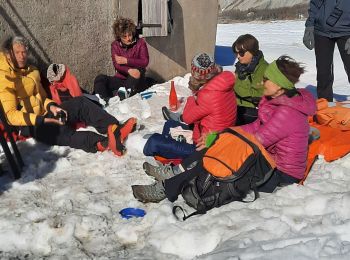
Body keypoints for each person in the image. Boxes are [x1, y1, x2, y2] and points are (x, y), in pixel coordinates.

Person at [132, 55, 316, 203]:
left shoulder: (287, 113)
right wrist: (219, 135)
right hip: (269, 157)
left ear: (279, 85)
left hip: (281, 172)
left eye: (267, 79)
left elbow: (257, 139)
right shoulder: (275, 100)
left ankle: (167, 188)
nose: (262, 82)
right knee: (215, 150)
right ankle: (171, 178)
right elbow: (255, 126)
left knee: (219, 159)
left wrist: (219, 138)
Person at [0, 36, 137, 156]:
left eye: (24, 52)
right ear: (8, 53)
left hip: (46, 114)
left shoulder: (31, 71)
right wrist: (42, 120)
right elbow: (10, 116)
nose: (22, 56)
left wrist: (53, 107)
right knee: (63, 132)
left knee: (81, 103)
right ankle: (102, 143)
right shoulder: (5, 76)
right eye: (17, 52)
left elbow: (41, 97)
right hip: (29, 125)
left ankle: (114, 129)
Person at [142, 52, 237, 162]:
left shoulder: (208, 94)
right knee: (169, 124)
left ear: (198, 75)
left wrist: (193, 93)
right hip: (214, 136)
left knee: (154, 142)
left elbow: (187, 118)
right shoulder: (223, 83)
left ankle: (168, 156)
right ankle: (168, 151)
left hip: (205, 147)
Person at [93, 17, 149, 103]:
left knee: (137, 71)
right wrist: (128, 70)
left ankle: (119, 98)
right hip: (121, 79)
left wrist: (126, 61)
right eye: (124, 36)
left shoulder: (140, 43)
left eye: (129, 35)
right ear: (119, 36)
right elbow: (116, 65)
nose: (128, 39)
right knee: (100, 78)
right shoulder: (115, 45)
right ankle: (102, 100)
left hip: (137, 80)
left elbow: (145, 61)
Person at [303, 0, 350, 101]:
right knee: (323, 72)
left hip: (347, 31)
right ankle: (325, 105)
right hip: (321, 31)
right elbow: (315, 4)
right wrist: (310, 25)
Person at [232, 34, 269, 125]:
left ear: (252, 51)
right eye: (236, 53)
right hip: (238, 105)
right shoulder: (241, 66)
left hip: (254, 111)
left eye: (241, 53)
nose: (238, 56)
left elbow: (258, 95)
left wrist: (234, 84)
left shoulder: (263, 69)